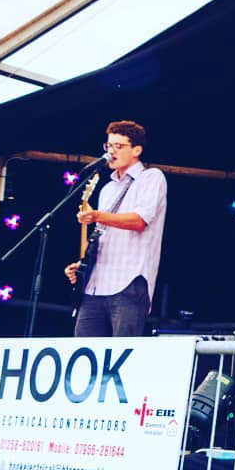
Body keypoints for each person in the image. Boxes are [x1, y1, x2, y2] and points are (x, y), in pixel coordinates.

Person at [64, 120, 167, 336]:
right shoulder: (107, 189)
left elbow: (139, 221)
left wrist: (97, 215)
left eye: (118, 146)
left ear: (137, 150)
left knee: (121, 351)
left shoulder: (151, 177)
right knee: (84, 349)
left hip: (129, 281)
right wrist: (83, 264)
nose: (111, 152)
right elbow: (105, 235)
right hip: (95, 284)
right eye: (109, 146)